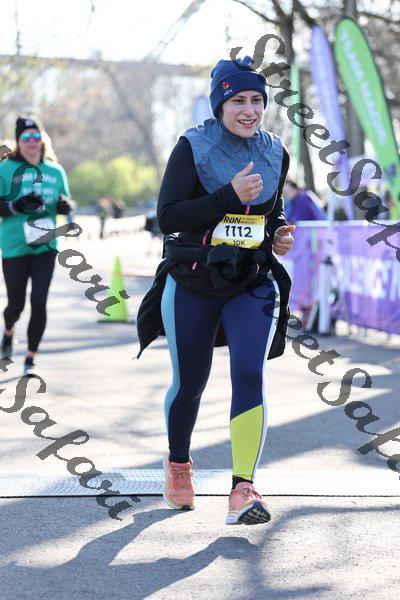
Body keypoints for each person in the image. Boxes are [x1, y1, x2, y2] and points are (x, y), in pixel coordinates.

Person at [136, 57, 295, 525]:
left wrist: (278, 231)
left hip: (251, 281)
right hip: (193, 279)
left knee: (249, 373)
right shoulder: (193, 145)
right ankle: (178, 465)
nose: (249, 110)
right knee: (191, 381)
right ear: (220, 105)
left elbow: (271, 209)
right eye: (238, 100)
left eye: (257, 100)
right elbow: (169, 216)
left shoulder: (275, 150)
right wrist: (228, 195)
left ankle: (243, 488)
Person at [0, 117, 74, 375]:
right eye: (26, 137)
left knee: (39, 300)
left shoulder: (55, 171)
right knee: (16, 305)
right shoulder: (5, 169)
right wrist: (15, 206)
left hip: (46, 245)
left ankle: (30, 358)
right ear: (18, 142)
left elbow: (65, 201)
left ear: (42, 140)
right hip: (14, 247)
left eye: (36, 137)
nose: (32, 142)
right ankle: (9, 331)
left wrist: (65, 206)